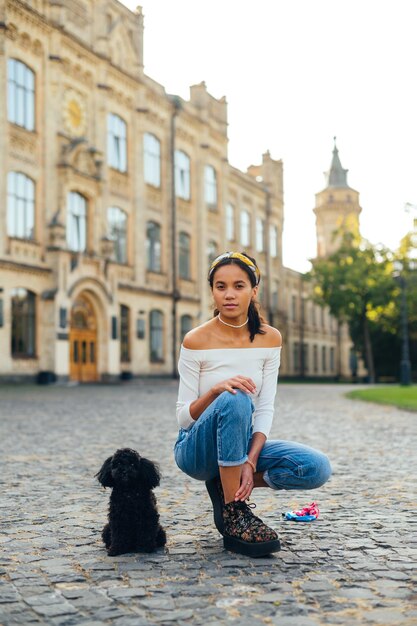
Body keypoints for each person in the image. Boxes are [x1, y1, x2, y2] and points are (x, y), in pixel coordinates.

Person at [174, 251, 331, 557]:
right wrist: (216, 391)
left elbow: (265, 408)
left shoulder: (270, 339)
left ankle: (225, 484)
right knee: (235, 396)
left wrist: (249, 461)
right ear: (212, 291)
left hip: (242, 446)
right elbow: (183, 417)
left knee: (316, 467)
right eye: (220, 287)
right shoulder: (196, 340)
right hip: (196, 449)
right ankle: (235, 511)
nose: (229, 294)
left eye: (238, 286)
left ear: (253, 290)